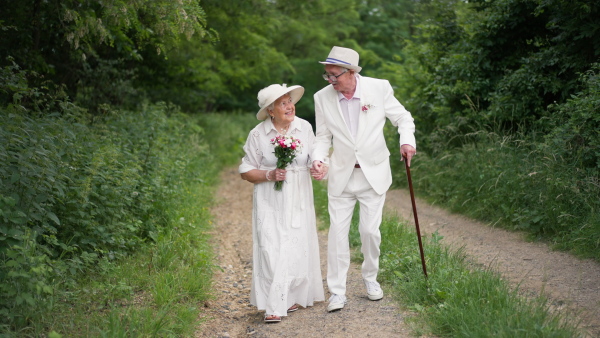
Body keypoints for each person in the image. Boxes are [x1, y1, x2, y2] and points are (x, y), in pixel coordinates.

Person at [311, 46, 417, 312]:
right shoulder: (322, 97)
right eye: (327, 75)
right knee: (337, 234)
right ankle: (337, 291)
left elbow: (403, 118)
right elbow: (323, 136)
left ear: (351, 72)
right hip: (341, 175)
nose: (330, 81)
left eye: (335, 75)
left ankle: (371, 279)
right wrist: (318, 159)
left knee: (370, 232)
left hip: (373, 173)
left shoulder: (379, 88)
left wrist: (407, 141)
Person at [239, 84, 325, 323]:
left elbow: (314, 153)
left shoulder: (304, 127)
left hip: (299, 194)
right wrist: (269, 175)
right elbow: (246, 170)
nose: (290, 106)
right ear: (271, 111)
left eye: (290, 101)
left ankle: (291, 296)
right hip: (270, 197)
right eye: (283, 103)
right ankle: (274, 305)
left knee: (296, 244)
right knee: (271, 246)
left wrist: (317, 165)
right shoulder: (258, 134)